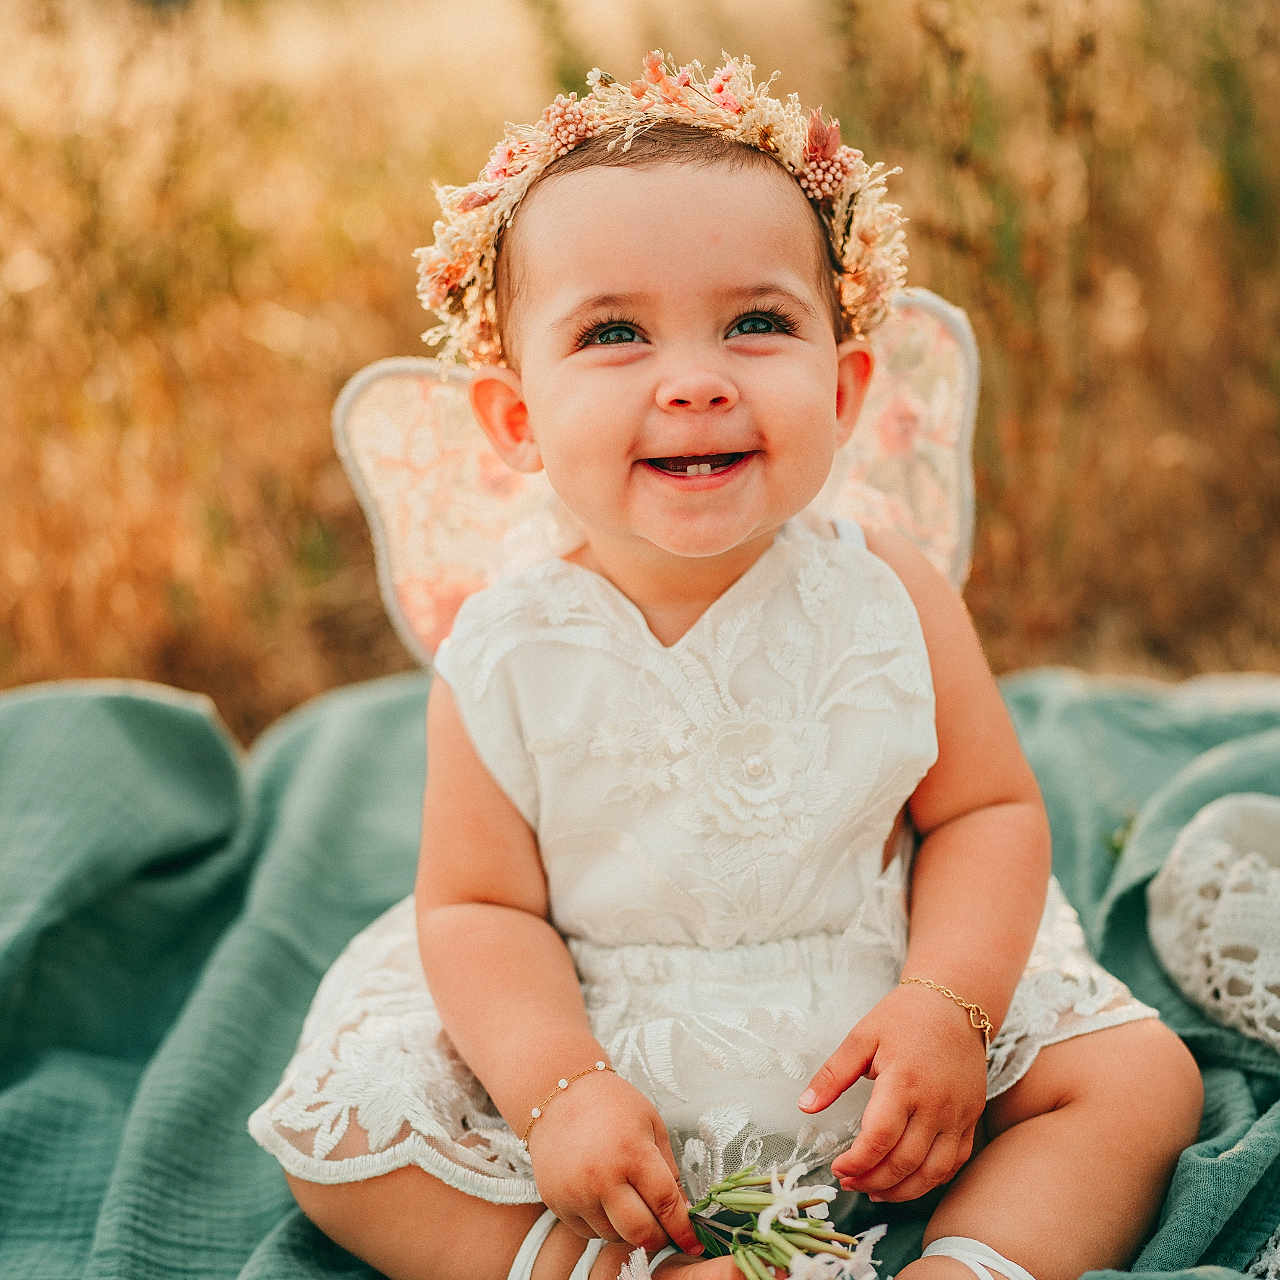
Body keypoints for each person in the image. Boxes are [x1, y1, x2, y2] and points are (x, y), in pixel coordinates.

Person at [248, 51, 1203, 1280]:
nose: (694, 380)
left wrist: (950, 1003)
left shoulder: (887, 590)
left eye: (757, 323)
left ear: (848, 385)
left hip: (868, 1000)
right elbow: (476, 908)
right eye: (613, 333)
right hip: (598, 1022)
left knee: (1136, 1080)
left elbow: (986, 811)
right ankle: (595, 1267)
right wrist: (556, 1092)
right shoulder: (506, 647)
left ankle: (968, 1264)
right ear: (515, 421)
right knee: (347, 1145)